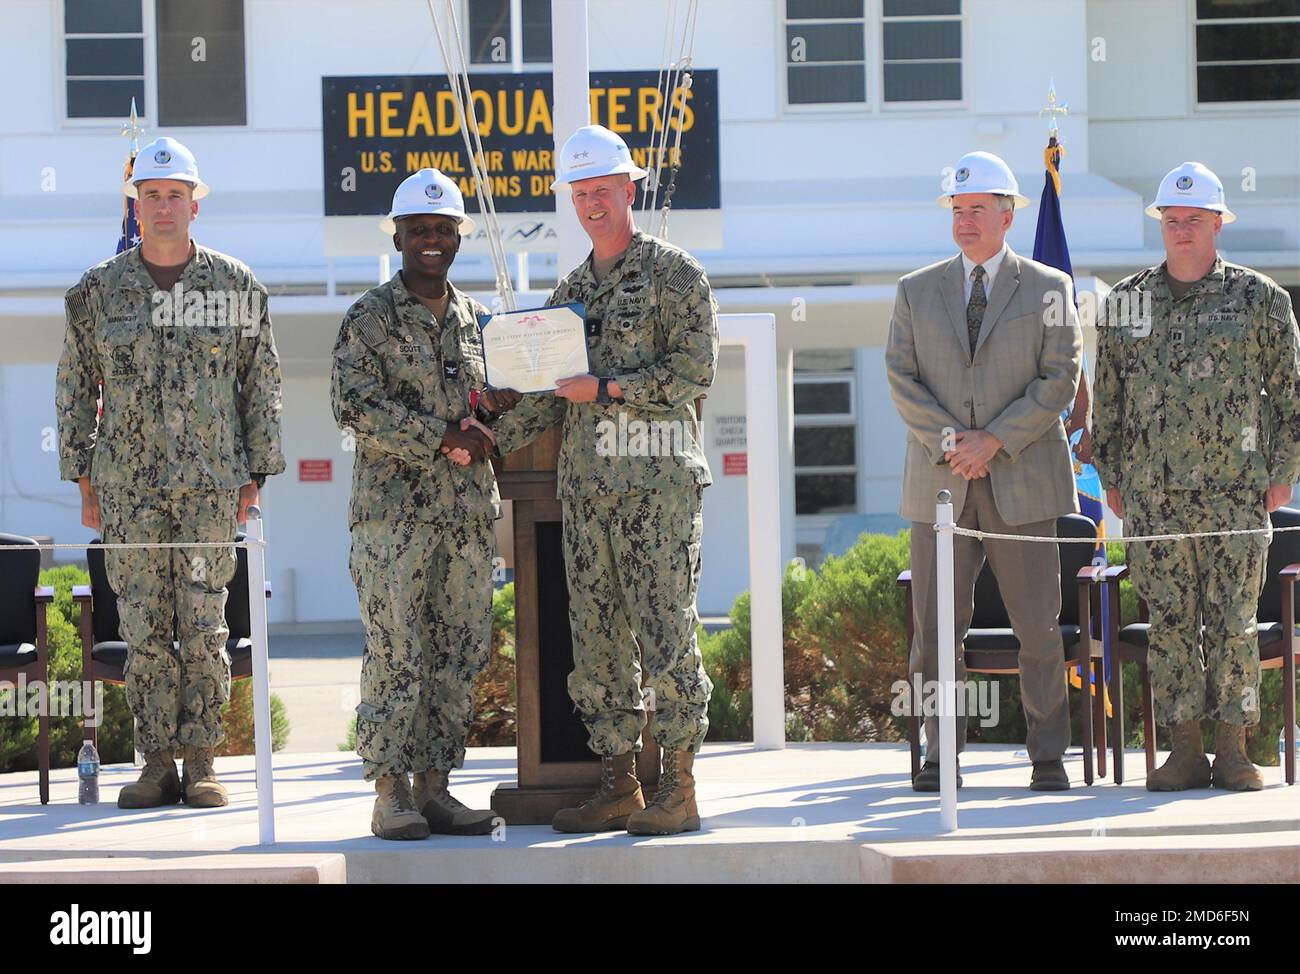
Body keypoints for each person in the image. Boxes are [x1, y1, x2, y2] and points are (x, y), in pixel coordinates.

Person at [483, 124, 718, 835]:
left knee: (668, 635)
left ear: (629, 188)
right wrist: (485, 433)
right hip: (587, 496)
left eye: (602, 191)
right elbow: (550, 393)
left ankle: (678, 788)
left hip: (658, 493)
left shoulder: (677, 275)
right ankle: (619, 785)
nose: (591, 204)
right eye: (580, 193)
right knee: (599, 643)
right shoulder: (572, 292)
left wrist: (609, 389)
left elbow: (692, 372)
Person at [56, 136, 284, 809]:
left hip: (212, 487)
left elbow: (261, 382)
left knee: (207, 626)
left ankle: (204, 759)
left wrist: (257, 473)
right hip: (127, 489)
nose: (162, 208)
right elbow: (73, 386)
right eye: (151, 196)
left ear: (194, 206)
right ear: (138, 204)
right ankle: (156, 762)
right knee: (145, 628)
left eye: (174, 196)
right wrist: (83, 478)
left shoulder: (236, 287)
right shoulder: (96, 293)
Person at [1093, 161, 1300, 792]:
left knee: (1234, 620)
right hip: (1153, 497)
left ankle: (1235, 750)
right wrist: (1112, 474)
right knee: (1172, 625)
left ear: (1216, 224)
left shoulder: (1262, 299)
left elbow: (1290, 394)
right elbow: (1109, 398)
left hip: (1237, 492)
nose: (1181, 231)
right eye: (1172, 220)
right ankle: (1184, 750)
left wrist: (1283, 471)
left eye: (1194, 220)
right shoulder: (1126, 304)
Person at [886, 150, 1082, 792]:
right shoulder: (915, 291)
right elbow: (901, 376)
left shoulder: (1050, 287)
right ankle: (940, 759)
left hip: (1022, 480)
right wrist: (956, 443)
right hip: (939, 481)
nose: (965, 221)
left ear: (1007, 215)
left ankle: (1048, 756)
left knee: (1037, 628)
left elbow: (1059, 379)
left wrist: (993, 440)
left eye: (977, 210)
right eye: (957, 210)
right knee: (935, 634)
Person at [331, 168, 503, 839]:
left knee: (458, 655)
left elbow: (499, 417)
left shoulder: (482, 322)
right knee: (397, 654)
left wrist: (497, 413)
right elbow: (355, 407)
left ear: (458, 236)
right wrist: (441, 435)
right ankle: (390, 794)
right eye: (419, 229)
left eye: (443, 229)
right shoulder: (368, 319)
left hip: (464, 519)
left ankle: (436, 788)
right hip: (393, 521)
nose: (432, 240)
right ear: (398, 236)